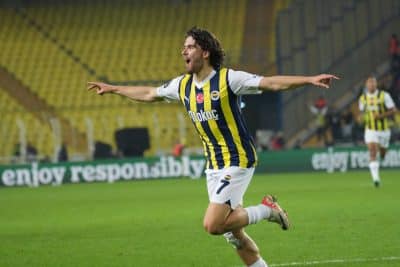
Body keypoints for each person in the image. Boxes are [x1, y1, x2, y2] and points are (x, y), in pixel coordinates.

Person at [87, 27, 338, 267]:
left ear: (205, 52)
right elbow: (150, 93)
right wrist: (115, 89)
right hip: (214, 167)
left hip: (238, 160)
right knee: (233, 233)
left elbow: (271, 83)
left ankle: (267, 210)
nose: (183, 52)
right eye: (183, 47)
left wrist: (309, 79)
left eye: (190, 47)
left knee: (213, 225)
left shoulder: (230, 79)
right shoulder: (182, 85)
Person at [358, 76, 397, 188]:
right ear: (366, 85)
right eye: (369, 83)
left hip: (384, 130)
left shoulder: (384, 96)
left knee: (383, 152)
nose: (371, 85)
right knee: (373, 151)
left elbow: (393, 110)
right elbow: (361, 112)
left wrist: (380, 116)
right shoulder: (363, 98)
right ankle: (376, 179)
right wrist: (360, 118)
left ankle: (383, 155)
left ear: (376, 84)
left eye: (373, 83)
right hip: (370, 129)